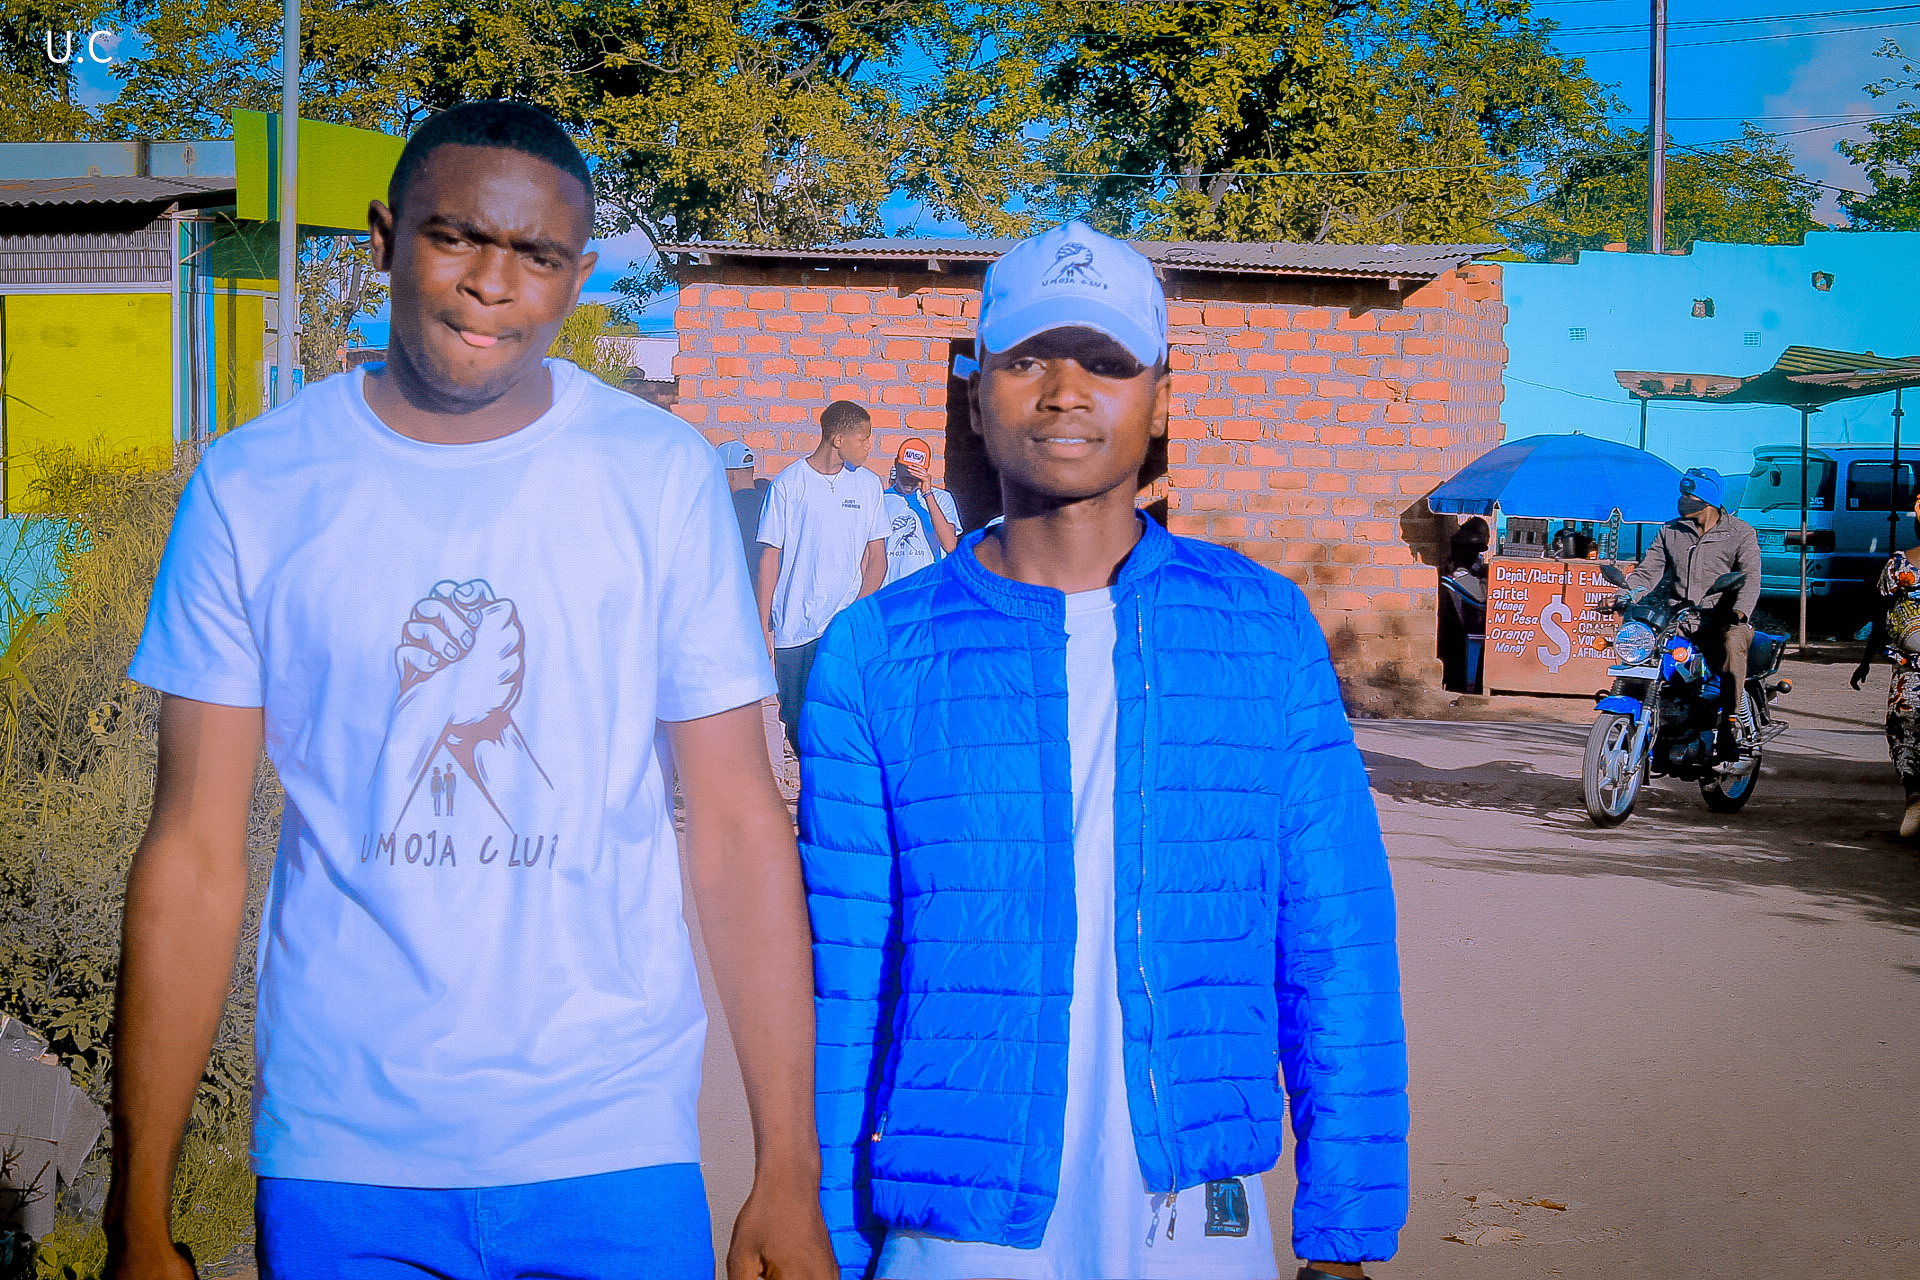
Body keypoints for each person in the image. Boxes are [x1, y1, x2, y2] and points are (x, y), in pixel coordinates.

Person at [105, 101, 836, 1280]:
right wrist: (138, 1210)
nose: (493, 283)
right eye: (456, 238)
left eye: (536, 255)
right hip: (345, 1152)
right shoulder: (255, 487)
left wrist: (787, 1167)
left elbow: (740, 830)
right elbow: (192, 852)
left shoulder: (658, 477)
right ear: (385, 238)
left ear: (578, 278)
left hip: (614, 1141)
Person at [799, 221, 1407, 1280]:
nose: (1065, 390)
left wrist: (1343, 1232)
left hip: (1196, 1216)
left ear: (1161, 398)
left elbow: (1334, 934)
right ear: (975, 395)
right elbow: (847, 971)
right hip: (956, 1225)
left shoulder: (1260, 627)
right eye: (1028, 358)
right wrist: (836, 1236)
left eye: (1107, 361)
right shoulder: (878, 651)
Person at [755, 400, 887, 750]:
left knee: (835, 720)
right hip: (793, 629)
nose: (869, 446)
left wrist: (854, 614)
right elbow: (770, 557)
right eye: (864, 438)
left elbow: (878, 559)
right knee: (796, 721)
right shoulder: (788, 484)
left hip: (840, 628)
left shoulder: (869, 486)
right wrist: (762, 625)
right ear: (838, 439)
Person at [1623, 467, 1762, 760]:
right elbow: (1648, 572)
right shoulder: (1670, 531)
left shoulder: (1740, 533)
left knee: (1734, 642)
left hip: (1722, 620)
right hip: (1680, 619)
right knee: (1644, 646)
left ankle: (1728, 723)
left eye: (1688, 495)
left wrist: (1739, 612)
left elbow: (1750, 579)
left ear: (1707, 499)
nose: (1682, 500)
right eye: (1682, 495)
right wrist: (1629, 593)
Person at [1851, 495, 1920, 836]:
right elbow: (1882, 618)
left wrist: (1865, 662)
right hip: (1909, 670)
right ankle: (1915, 798)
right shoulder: (1898, 566)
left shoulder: (1900, 565)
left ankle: (1915, 796)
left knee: (1903, 732)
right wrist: (1865, 662)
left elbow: (1881, 617)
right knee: (1902, 732)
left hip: (1909, 674)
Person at [880, 436, 960, 585]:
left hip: (928, 584)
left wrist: (927, 494)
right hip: (891, 586)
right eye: (905, 476)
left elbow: (950, 545)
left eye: (914, 477)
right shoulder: (882, 500)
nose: (909, 482)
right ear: (896, 465)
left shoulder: (941, 498)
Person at [720, 438, 771, 591]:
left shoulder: (724, 511)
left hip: (735, 594)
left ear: (732, 476)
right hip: (768, 595)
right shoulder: (771, 505)